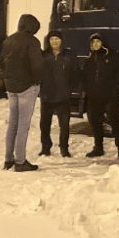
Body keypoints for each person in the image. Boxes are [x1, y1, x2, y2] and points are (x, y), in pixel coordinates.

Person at [0, 14, 43, 172]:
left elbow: (1, 63)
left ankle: (8, 159)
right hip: (26, 88)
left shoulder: (8, 40)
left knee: (12, 124)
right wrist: (38, 81)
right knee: (23, 126)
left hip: (11, 88)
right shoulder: (32, 42)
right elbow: (37, 66)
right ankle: (20, 161)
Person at [82, 32, 119, 160]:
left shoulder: (113, 56)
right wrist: (86, 89)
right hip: (94, 97)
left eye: (98, 42)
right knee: (95, 123)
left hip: (110, 97)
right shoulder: (89, 60)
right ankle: (98, 148)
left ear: (103, 43)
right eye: (93, 42)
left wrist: (114, 88)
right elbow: (84, 77)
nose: (95, 44)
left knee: (114, 123)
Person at [38, 30, 81, 158]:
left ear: (61, 40)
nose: (54, 42)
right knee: (45, 124)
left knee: (64, 125)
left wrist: (73, 89)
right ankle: (45, 148)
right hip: (47, 95)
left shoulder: (69, 55)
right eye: (52, 39)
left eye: (57, 39)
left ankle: (64, 148)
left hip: (63, 96)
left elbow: (76, 73)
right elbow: (37, 72)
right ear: (48, 41)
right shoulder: (43, 55)